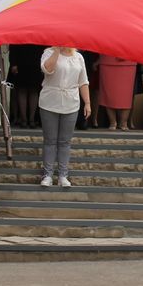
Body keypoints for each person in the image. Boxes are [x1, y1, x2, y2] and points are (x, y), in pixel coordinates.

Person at [38, 47, 91, 187]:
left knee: (65, 142)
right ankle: (48, 175)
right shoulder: (48, 52)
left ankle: (63, 175)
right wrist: (56, 50)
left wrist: (88, 103)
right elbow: (47, 69)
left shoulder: (79, 57)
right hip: (49, 101)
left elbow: (83, 81)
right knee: (50, 140)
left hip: (71, 102)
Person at [98, 55, 136, 130]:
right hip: (107, 60)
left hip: (128, 61)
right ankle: (112, 122)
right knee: (108, 93)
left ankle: (124, 123)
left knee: (126, 95)